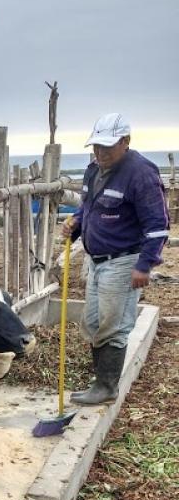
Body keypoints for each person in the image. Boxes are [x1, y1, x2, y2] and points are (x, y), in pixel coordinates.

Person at [63, 113, 169, 405]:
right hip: (96, 259)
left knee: (114, 324)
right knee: (94, 321)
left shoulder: (141, 173)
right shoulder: (92, 170)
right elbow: (88, 209)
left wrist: (145, 265)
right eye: (96, 147)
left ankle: (107, 387)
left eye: (107, 147)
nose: (100, 153)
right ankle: (101, 380)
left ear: (125, 142)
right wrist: (75, 225)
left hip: (124, 260)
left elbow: (158, 225)